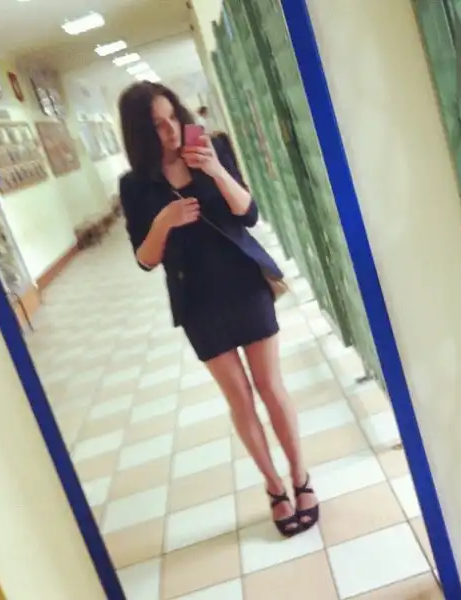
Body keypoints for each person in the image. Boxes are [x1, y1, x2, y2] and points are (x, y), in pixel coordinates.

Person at [117, 81, 319, 537]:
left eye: (173, 116)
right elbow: (145, 259)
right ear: (139, 133)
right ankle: (275, 488)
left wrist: (214, 169)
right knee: (240, 399)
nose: (171, 130)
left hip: (244, 283)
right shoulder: (135, 185)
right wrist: (163, 223)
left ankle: (300, 476)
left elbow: (249, 213)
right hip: (197, 301)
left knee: (271, 387)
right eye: (157, 125)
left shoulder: (214, 148)